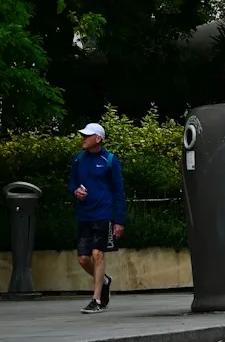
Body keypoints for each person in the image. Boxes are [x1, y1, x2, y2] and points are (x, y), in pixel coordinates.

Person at [69, 122, 126, 314]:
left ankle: (97, 299)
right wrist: (76, 191)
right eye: (83, 135)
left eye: (87, 135)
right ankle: (105, 281)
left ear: (98, 139)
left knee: (97, 254)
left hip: (104, 214)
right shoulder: (78, 159)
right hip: (84, 214)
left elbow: (119, 191)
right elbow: (72, 183)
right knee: (83, 259)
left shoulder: (110, 160)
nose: (83, 138)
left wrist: (119, 220)